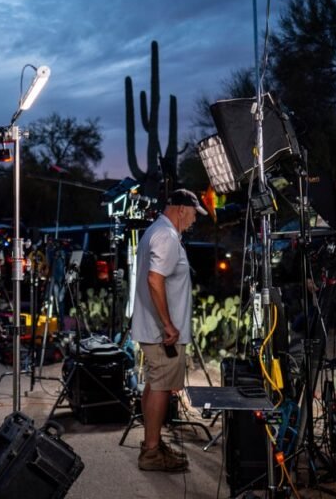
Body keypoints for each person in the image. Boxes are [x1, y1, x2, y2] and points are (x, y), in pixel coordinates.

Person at [131, 188, 207, 472]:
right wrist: (168, 325)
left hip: (154, 329)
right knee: (161, 386)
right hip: (162, 333)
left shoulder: (157, 231)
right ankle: (151, 452)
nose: (194, 220)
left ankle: (151, 444)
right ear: (180, 209)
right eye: (193, 215)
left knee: (154, 384)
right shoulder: (166, 235)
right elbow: (154, 279)